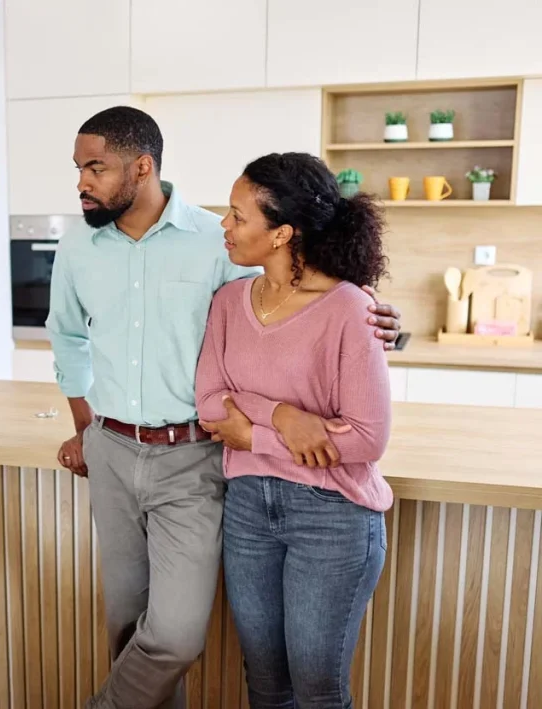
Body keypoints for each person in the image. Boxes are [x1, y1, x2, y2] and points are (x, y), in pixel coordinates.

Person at [46, 106, 402, 709]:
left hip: (195, 457)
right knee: (130, 625)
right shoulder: (82, 243)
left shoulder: (218, 243)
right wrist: (86, 426)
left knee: (178, 635)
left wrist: (382, 321)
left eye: (95, 167)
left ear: (141, 166)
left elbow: (309, 302)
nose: (81, 181)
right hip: (113, 449)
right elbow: (68, 337)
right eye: (78, 168)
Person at [196, 152, 393, 708]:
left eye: (237, 216)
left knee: (316, 689)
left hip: (331, 517)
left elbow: (365, 439)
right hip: (248, 509)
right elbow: (211, 403)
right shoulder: (230, 301)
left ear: (282, 232)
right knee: (265, 683)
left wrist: (255, 434)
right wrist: (284, 415)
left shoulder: (351, 309)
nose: (224, 226)